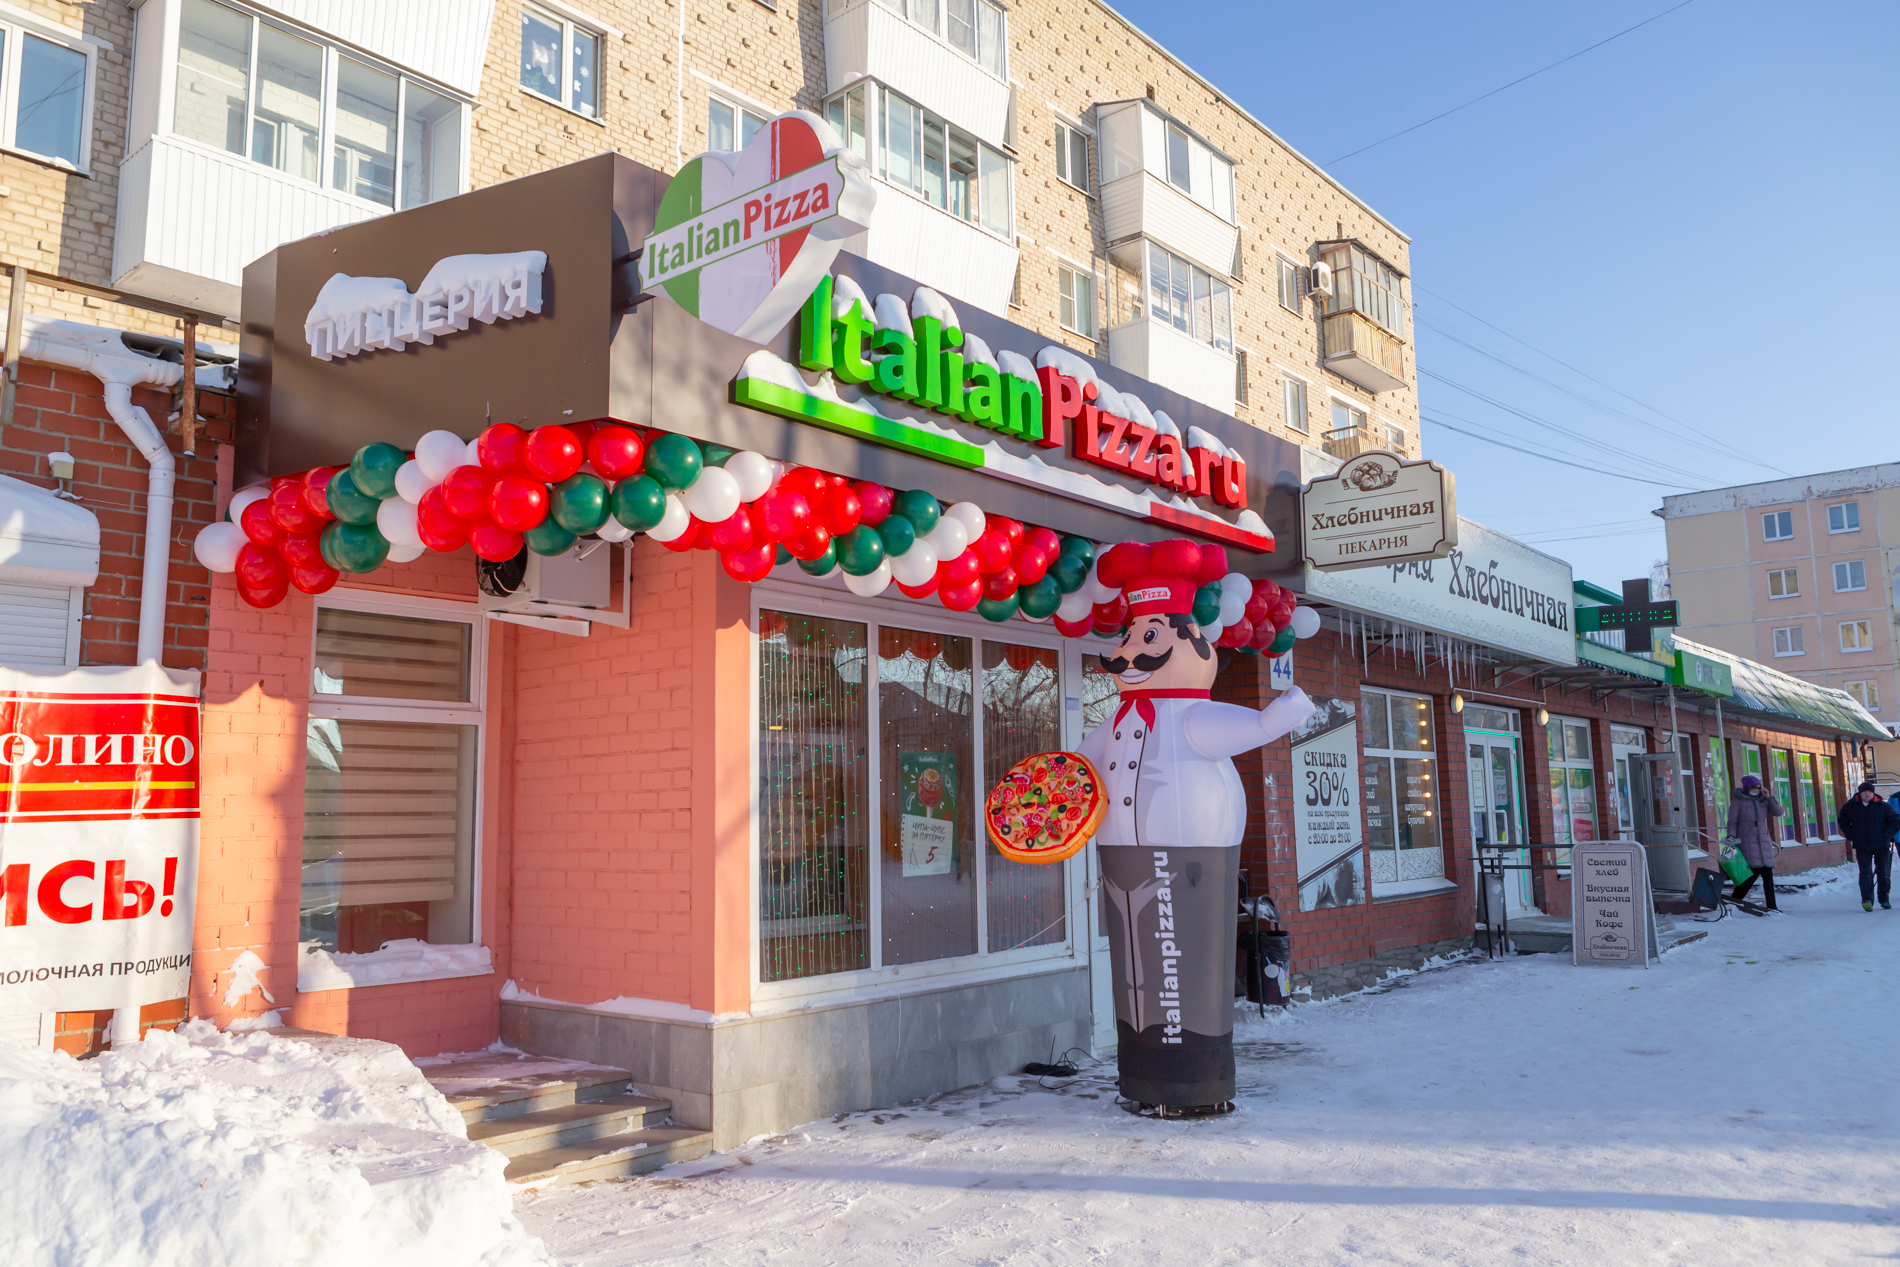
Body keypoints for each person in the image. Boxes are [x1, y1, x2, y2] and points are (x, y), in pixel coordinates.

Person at [1839, 781, 1900, 912]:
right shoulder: (1851, 806)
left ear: (1873, 793)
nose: (1868, 794)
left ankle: (1884, 899)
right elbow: (1842, 820)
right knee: (1865, 873)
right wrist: (1851, 834)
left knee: (1883, 873)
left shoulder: (1883, 806)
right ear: (1860, 793)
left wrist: (1887, 835)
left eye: (1870, 791)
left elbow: (1895, 821)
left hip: (1882, 845)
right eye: (1865, 791)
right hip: (1862, 845)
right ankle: (1867, 900)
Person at [1725, 774, 1783, 910]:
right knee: (1752, 874)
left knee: (1768, 875)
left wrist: (1769, 797)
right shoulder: (1738, 801)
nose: (1757, 790)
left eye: (1759, 787)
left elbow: (1779, 812)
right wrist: (1731, 836)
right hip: (1747, 839)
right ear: (1747, 788)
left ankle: (1772, 907)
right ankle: (1734, 900)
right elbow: (1732, 822)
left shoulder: (1763, 800)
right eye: (1754, 788)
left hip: (1763, 840)